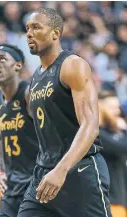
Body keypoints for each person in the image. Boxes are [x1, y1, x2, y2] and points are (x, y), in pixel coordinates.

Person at [18, 8, 112, 217]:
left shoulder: (72, 65)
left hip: (79, 170)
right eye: (27, 29)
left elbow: (90, 125)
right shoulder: (35, 78)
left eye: (36, 27)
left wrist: (61, 170)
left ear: (56, 33)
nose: (29, 33)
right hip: (44, 172)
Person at [0, 43, 39, 217]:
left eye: (2, 59)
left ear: (18, 65)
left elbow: (51, 136)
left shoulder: (28, 93)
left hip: (35, 185)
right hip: (11, 187)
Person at [99, 91, 127, 217]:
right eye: (112, 108)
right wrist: (123, 131)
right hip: (108, 202)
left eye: (118, 108)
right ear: (99, 107)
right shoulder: (94, 133)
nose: (117, 112)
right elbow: (121, 148)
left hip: (120, 200)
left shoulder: (114, 133)